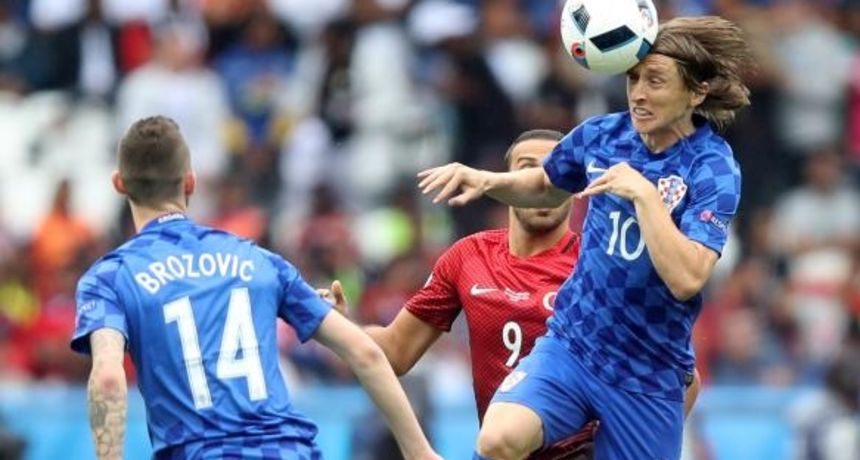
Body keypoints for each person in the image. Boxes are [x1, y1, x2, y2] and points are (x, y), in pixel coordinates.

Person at [418, 16, 751, 460]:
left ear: (696, 91)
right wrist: (485, 180)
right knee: (498, 440)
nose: (638, 94)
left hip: (647, 372)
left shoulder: (711, 168)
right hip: (574, 344)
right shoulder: (603, 136)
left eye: (655, 81)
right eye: (634, 78)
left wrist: (646, 198)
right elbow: (549, 184)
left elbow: (687, 278)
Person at [70, 116, 440, 460]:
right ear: (190, 182)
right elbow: (367, 354)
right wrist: (421, 453)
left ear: (119, 183)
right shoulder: (258, 260)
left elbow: (106, 376)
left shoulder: (111, 277)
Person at [322, 130, 701, 459]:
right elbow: (396, 353)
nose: (541, 178)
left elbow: (684, 378)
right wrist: (339, 327)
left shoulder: (600, 264)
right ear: (507, 182)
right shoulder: (467, 258)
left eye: (553, 169)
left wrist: (619, 442)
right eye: (526, 167)